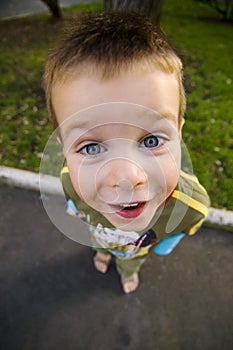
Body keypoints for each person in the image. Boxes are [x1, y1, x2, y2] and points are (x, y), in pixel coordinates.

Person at [43, 11, 210, 294]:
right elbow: (73, 196)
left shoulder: (190, 204)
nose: (126, 178)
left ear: (178, 133)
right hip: (100, 231)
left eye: (151, 140)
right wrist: (74, 208)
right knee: (100, 241)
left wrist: (166, 244)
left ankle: (126, 271)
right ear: (64, 148)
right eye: (92, 147)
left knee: (131, 259)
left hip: (137, 249)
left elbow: (187, 224)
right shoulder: (71, 179)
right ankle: (103, 253)